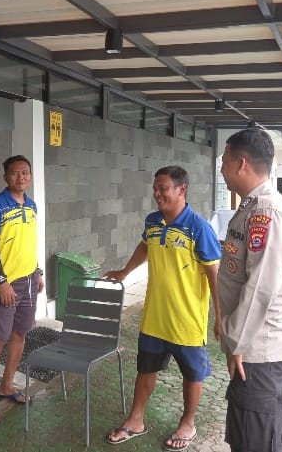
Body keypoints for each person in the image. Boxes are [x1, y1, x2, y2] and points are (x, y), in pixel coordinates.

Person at [104, 166, 222, 452]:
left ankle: (188, 423)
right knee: (146, 369)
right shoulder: (153, 221)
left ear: (182, 190)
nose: (157, 193)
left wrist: (220, 317)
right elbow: (145, 246)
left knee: (192, 374)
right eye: (155, 188)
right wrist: (125, 271)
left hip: (187, 322)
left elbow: (214, 275)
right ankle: (135, 420)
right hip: (154, 318)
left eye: (163, 188)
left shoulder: (199, 228)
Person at [217, 128, 282, 452]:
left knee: (253, 438)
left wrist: (236, 342)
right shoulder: (252, 205)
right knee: (269, 432)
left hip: (259, 347)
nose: (221, 168)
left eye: (224, 161)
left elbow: (261, 287)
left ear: (241, 164)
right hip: (254, 343)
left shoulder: (266, 211)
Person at [0, 155, 44, 428]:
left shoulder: (32, 206)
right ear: (6, 177)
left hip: (29, 280)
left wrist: (38, 271)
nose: (21, 177)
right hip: (5, 284)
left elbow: (28, 243)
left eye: (25, 172)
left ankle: (6, 385)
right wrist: (2, 282)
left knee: (20, 334)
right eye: (15, 173)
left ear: (30, 175)